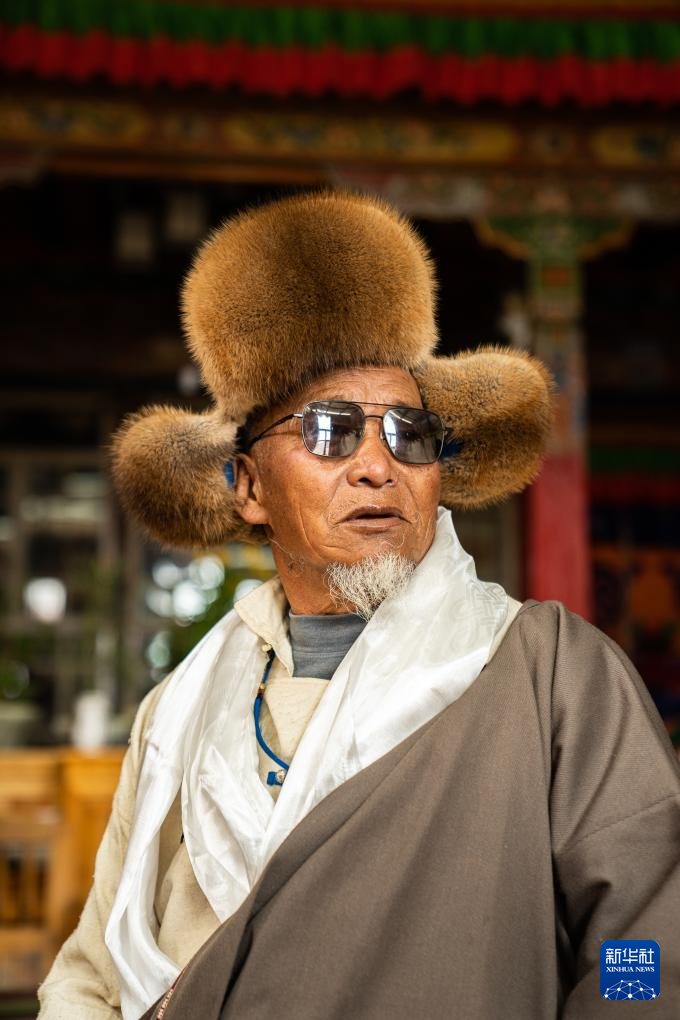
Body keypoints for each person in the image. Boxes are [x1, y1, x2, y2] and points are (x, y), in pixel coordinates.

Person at [37, 190, 680, 1020]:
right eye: (329, 430)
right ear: (248, 485)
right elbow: (92, 972)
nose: (379, 466)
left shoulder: (550, 675)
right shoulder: (182, 712)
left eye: (409, 434)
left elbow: (646, 944)